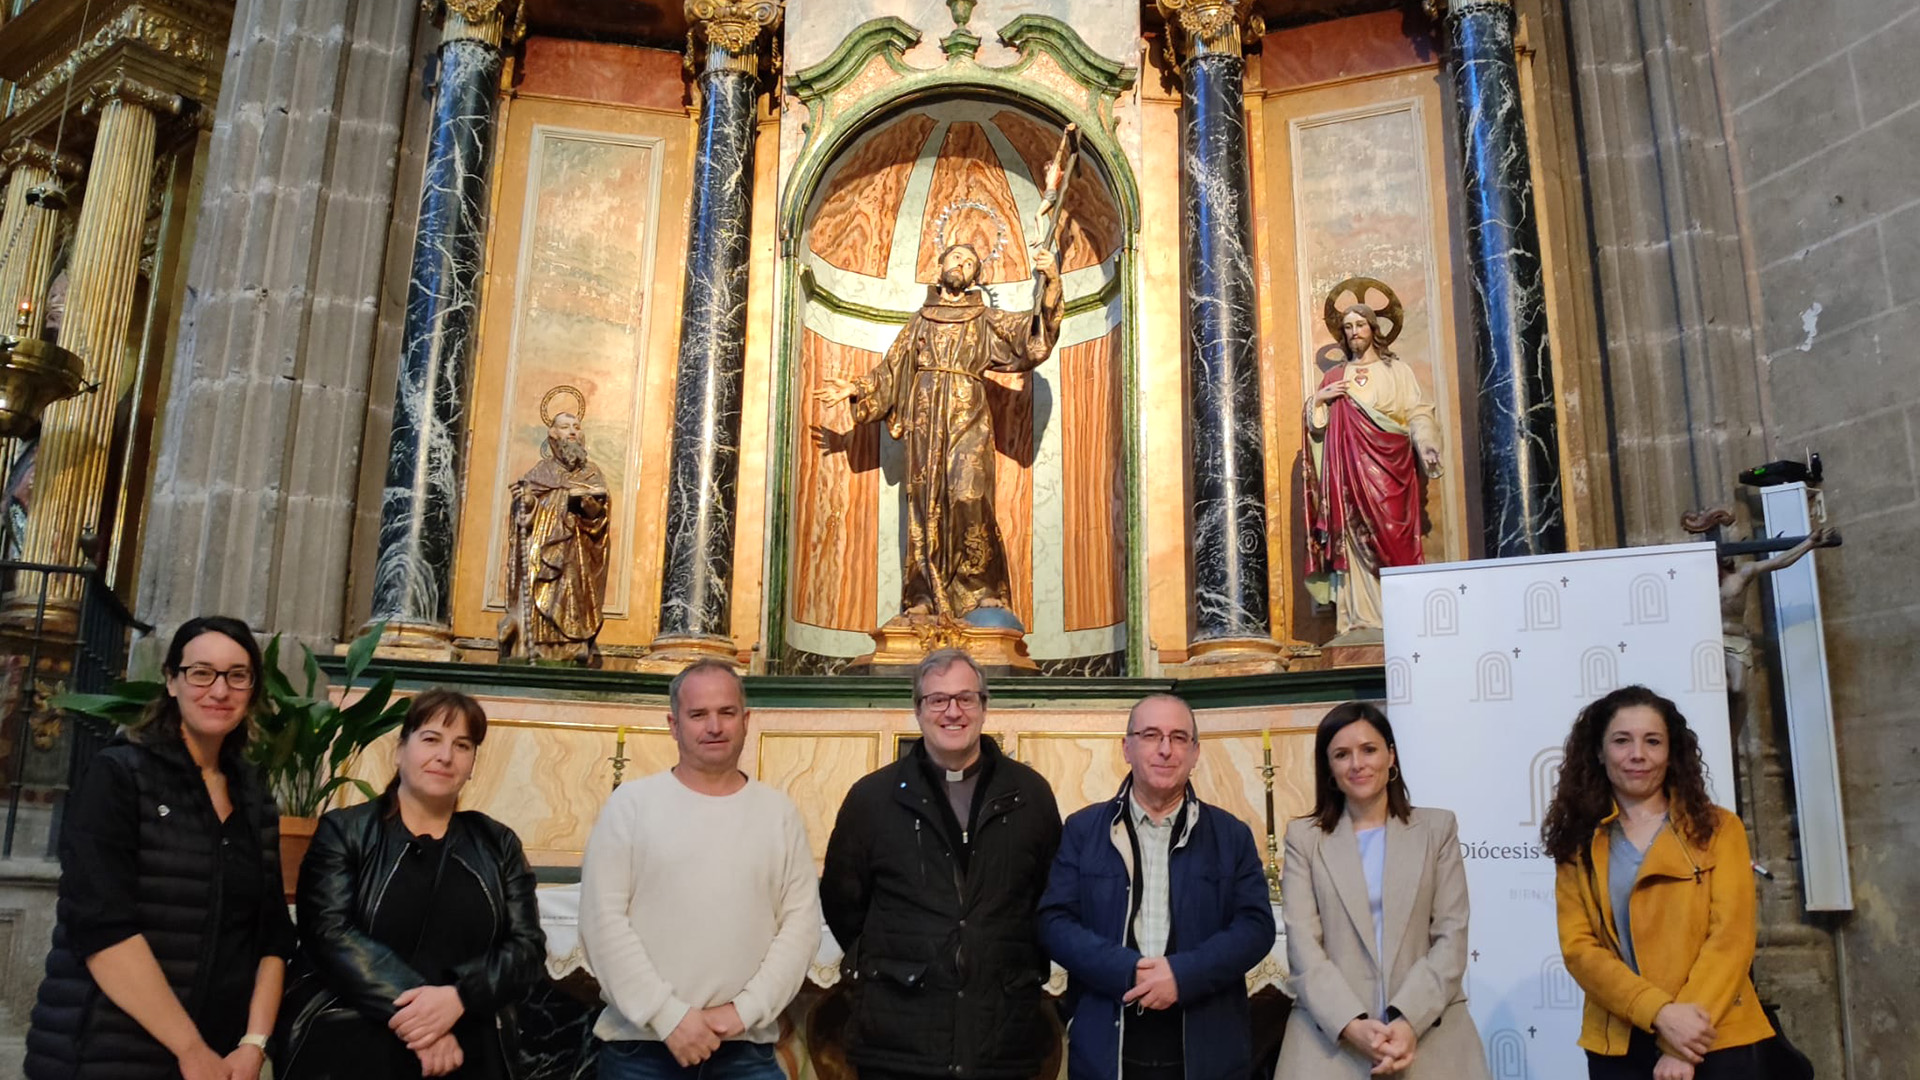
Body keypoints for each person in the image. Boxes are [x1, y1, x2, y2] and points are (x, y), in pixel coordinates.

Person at [26, 616, 295, 1080]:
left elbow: (271, 934)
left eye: (237, 675)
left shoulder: (253, 795)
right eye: (201, 672)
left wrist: (253, 1044)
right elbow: (102, 927)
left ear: (252, 689)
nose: (219, 690)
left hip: (218, 1059)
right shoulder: (119, 774)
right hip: (107, 1051)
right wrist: (190, 1048)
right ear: (171, 681)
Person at [276, 690, 546, 1080]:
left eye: (462, 745)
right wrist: (426, 1026)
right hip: (353, 1045)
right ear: (401, 749)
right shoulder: (345, 831)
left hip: (467, 1052)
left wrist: (457, 996)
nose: (445, 756)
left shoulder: (498, 843)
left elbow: (527, 948)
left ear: (472, 763)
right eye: (431, 739)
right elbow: (328, 934)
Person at [821, 648, 1062, 1080]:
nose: (953, 712)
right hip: (899, 1039)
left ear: (985, 708)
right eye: (938, 700)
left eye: (966, 698)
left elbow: (1049, 898)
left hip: (1002, 1038)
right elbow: (843, 902)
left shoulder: (1030, 795)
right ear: (917, 711)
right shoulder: (872, 798)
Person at [579, 660, 820, 1080]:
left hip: (746, 1050)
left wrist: (741, 1012)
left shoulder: (777, 813)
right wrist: (668, 1015)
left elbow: (800, 927)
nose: (714, 726)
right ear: (673, 725)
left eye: (726, 713)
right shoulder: (631, 806)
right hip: (642, 1049)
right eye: (698, 715)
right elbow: (602, 922)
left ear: (746, 721)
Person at [813, 243, 1062, 624]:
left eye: (970, 263)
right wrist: (858, 389)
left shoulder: (984, 318)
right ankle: (923, 594)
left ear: (975, 277)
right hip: (926, 423)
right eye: (957, 258)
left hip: (969, 419)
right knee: (924, 504)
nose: (961, 265)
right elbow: (892, 370)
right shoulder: (920, 321)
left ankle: (982, 589)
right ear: (940, 264)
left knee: (969, 495)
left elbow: (1031, 337)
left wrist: (1052, 280)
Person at [1038, 694, 1275, 1080]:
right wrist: (1127, 971)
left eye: (1179, 737)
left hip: (1207, 1047)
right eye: (1151, 735)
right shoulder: (1084, 830)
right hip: (1106, 1047)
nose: (1166, 749)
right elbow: (1054, 921)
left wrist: (1183, 975)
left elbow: (1255, 926)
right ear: (1126, 748)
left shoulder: (1231, 835)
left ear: (1195, 752)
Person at [1543, 686, 1774, 1080]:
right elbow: (1580, 949)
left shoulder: (1719, 829)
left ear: (1671, 753)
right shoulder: (1578, 841)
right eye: (1621, 741)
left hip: (1713, 1037)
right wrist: (1660, 1014)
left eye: (1653, 741)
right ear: (1599, 752)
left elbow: (1730, 939)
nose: (1638, 754)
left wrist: (1681, 1042)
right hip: (1618, 1042)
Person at [1275, 702, 1488, 1079]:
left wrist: (1408, 1021)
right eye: (1342, 754)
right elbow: (1304, 947)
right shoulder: (1304, 839)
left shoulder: (1437, 829)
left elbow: (1451, 937)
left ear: (1391, 756)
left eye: (1369, 749)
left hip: (1429, 1036)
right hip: (1331, 1041)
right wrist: (1351, 1024)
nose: (1357, 764)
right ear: (1329, 769)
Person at [1303, 303, 1444, 637]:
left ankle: (1398, 617)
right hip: (1348, 478)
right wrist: (1319, 400)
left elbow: (1418, 413)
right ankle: (1356, 619)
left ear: (1373, 330)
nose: (1354, 333)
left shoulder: (1397, 372)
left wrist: (1426, 443)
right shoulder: (1335, 378)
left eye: (1360, 326)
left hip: (1389, 475)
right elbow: (1319, 431)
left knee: (1393, 536)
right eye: (1348, 327)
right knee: (1353, 542)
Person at [498, 397, 611, 666]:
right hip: (543, 544)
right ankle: (532, 646)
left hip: (576, 547)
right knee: (538, 587)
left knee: (572, 587)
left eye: (576, 426)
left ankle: (572, 647)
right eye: (565, 426)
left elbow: (600, 518)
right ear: (552, 435)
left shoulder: (592, 472)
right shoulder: (540, 471)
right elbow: (526, 511)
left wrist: (592, 510)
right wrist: (527, 502)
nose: (572, 431)